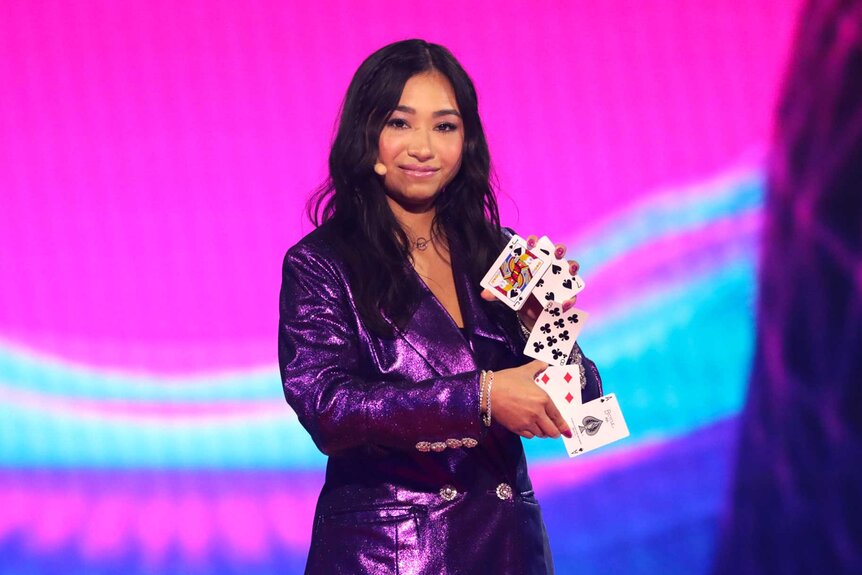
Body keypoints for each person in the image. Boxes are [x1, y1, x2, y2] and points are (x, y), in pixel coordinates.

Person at [278, 39, 603, 574]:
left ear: (467, 141)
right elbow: (328, 408)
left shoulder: (503, 252)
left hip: (508, 552)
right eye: (400, 124)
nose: (423, 147)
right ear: (367, 136)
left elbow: (586, 414)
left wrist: (545, 327)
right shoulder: (322, 263)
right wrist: (482, 396)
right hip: (390, 555)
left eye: (445, 126)